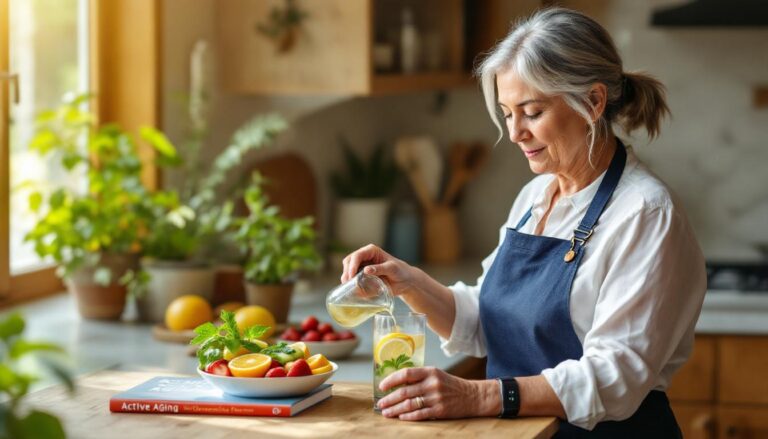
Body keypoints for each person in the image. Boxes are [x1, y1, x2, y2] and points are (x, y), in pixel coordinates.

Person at [339, 7, 707, 437]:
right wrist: (409, 282)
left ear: (592, 102)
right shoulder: (538, 196)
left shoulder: (646, 214)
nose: (515, 133)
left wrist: (478, 396)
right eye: (507, 113)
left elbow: (614, 379)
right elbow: (486, 322)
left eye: (531, 112)